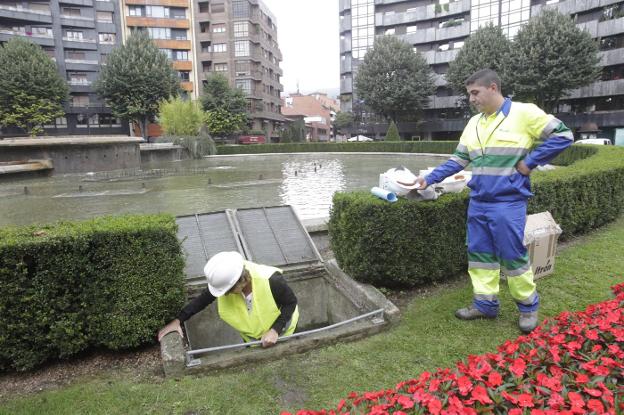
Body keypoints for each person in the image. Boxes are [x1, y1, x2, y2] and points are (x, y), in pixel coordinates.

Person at [415, 69, 573, 333]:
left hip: (508, 201)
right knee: (480, 255)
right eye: (469, 94)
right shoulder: (474, 123)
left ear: (493, 87)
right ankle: (485, 304)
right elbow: (458, 160)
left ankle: (528, 307)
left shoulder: (524, 113)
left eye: (474, 93)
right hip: (478, 201)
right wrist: (429, 179)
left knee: (512, 254)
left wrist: (530, 162)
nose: (471, 99)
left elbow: (563, 135)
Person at [158, 251, 299, 347]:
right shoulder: (226, 279)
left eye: (227, 291)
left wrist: (275, 330)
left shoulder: (271, 280)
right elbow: (202, 300)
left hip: (283, 334)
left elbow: (291, 303)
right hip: (253, 341)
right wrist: (178, 320)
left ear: (241, 281)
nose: (224, 295)